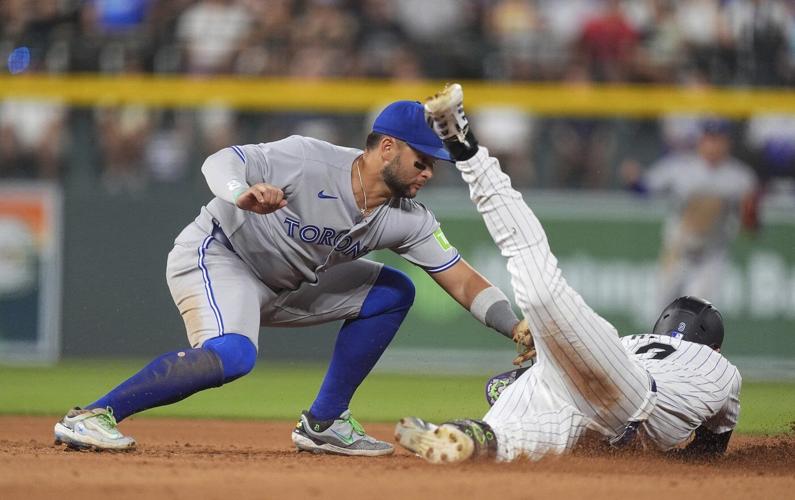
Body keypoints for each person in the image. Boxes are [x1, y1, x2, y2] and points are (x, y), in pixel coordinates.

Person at [53, 99, 530, 456]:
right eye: (421, 161)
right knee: (235, 356)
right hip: (220, 256)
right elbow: (218, 162)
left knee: (392, 291)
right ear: (387, 147)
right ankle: (95, 415)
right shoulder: (308, 158)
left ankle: (324, 423)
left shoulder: (407, 217)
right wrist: (241, 193)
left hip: (286, 285)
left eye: (433, 164)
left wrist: (514, 326)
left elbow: (462, 280)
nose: (428, 172)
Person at [394, 83, 741, 463]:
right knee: (539, 310)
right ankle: (472, 438)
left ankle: (471, 433)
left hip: (600, 382)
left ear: (662, 326)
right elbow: (709, 451)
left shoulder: (636, 341)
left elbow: (583, 364)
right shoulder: (723, 370)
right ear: (714, 344)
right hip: (631, 402)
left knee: (519, 420)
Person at [621, 118, 758, 309]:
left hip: (711, 256)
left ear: (727, 143)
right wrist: (633, 181)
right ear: (700, 140)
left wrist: (749, 215)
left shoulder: (740, 177)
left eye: (718, 139)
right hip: (677, 251)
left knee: (697, 312)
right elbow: (645, 189)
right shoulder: (680, 166)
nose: (713, 145)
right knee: (661, 310)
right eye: (709, 138)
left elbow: (752, 226)